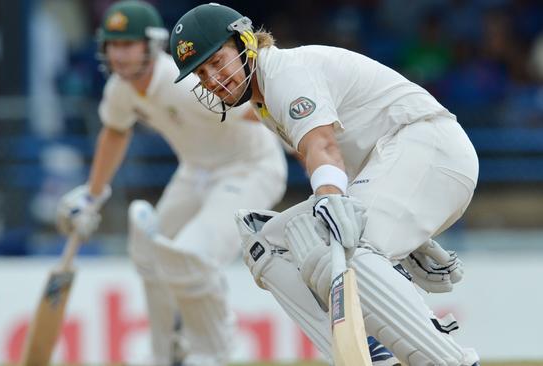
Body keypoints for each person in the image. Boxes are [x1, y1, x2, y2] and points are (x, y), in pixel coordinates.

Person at [169, 3, 480, 366]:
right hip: (402, 162)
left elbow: (324, 147)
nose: (214, 80)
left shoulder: (286, 73)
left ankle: (450, 360)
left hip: (432, 148)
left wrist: (331, 200)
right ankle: (370, 356)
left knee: (342, 243)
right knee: (267, 244)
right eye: (202, 73)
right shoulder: (264, 99)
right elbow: (344, 162)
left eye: (217, 61)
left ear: (244, 42)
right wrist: (410, 236)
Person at [55, 2, 288, 366]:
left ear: (151, 44)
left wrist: (318, 153)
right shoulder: (121, 89)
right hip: (195, 172)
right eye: (113, 45)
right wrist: (93, 196)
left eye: (128, 44)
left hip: (251, 168)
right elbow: (115, 131)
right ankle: (165, 353)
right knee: (148, 252)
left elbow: (262, 106)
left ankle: (217, 353)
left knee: (192, 255)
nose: (120, 54)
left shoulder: (182, 85)